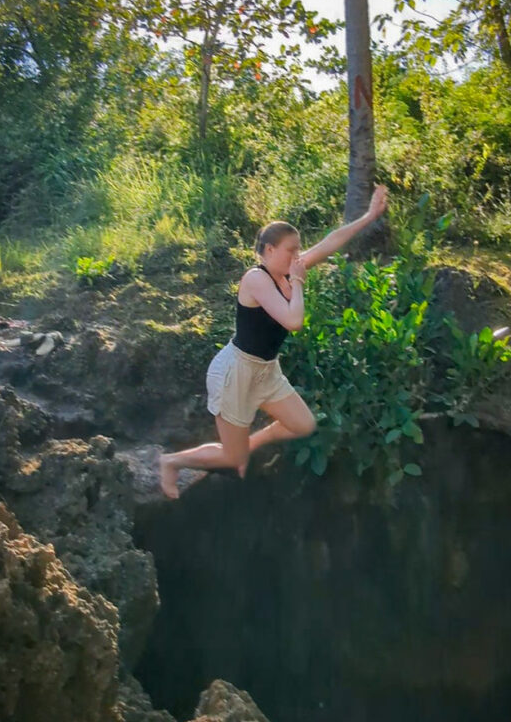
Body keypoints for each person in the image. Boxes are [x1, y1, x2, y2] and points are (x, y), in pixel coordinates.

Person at [160, 185, 388, 498]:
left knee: (303, 424)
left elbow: (331, 241)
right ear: (269, 250)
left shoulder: (288, 272)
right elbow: (294, 321)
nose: (298, 256)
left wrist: (369, 216)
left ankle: (248, 444)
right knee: (233, 458)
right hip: (235, 372)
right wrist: (298, 283)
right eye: (290, 250)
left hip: (266, 371)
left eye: (299, 250)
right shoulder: (256, 279)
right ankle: (172, 462)